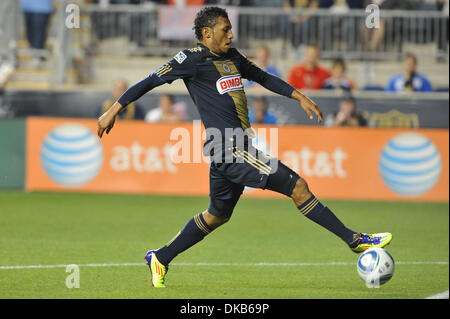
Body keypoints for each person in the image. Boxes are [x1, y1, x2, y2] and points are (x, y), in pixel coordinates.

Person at [97, 7, 392, 288]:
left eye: (231, 29)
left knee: (217, 215)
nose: (231, 35)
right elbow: (149, 81)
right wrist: (114, 109)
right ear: (207, 32)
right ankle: (355, 240)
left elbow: (262, 77)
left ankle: (160, 258)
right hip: (230, 149)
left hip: (232, 149)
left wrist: (299, 96)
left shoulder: (233, 58)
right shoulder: (190, 59)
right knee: (298, 186)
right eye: (225, 30)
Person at [20, 0, 53, 68]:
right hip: (26, 6)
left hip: (43, 7)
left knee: (39, 33)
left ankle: (38, 57)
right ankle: (35, 55)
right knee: (30, 34)